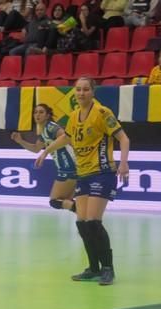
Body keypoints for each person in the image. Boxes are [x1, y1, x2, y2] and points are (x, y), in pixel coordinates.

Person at [40, 77, 130, 285]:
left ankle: (108, 268)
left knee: (93, 222)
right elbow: (66, 138)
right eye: (78, 90)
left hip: (102, 172)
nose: (81, 93)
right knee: (82, 223)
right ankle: (93, 268)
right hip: (84, 174)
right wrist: (46, 152)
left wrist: (123, 163)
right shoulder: (73, 116)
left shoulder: (102, 112)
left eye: (86, 89)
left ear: (93, 92)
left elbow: (123, 138)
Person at [11, 104, 77, 212]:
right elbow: (36, 148)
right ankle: (87, 222)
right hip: (70, 167)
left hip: (68, 167)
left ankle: (85, 211)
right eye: (35, 112)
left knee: (55, 201)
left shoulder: (51, 127)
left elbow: (66, 138)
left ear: (47, 115)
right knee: (67, 201)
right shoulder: (44, 131)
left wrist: (46, 152)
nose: (37, 115)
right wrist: (20, 141)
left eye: (41, 112)